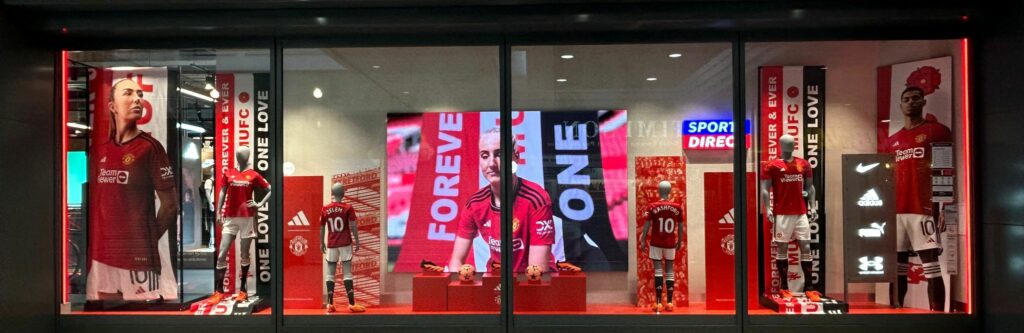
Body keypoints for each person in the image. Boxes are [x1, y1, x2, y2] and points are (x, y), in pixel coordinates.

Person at [87, 78, 179, 301]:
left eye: (139, 94)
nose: (137, 99)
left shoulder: (150, 147)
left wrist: (146, 238)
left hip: (136, 257)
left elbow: (171, 205)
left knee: (138, 313)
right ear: (112, 106)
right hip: (103, 253)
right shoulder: (101, 151)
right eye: (128, 93)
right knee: (103, 311)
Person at [448, 128, 556, 273]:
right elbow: (456, 261)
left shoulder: (537, 199)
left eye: (499, 154)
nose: (491, 163)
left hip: (533, 283)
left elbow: (537, 271)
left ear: (515, 157)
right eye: (484, 156)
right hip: (496, 282)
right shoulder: (474, 204)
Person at [887, 86, 952, 311]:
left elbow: (945, 169)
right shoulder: (892, 141)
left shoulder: (938, 132)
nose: (911, 102)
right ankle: (895, 311)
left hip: (923, 209)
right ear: (900, 104)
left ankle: (936, 315)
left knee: (931, 266)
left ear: (924, 103)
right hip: (895, 211)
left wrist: (947, 206)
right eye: (906, 99)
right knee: (897, 268)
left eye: (916, 98)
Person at [206, 145, 271, 305]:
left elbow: (270, 189)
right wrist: (219, 210)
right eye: (238, 154)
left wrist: (259, 203)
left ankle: (243, 290)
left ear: (247, 157)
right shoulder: (228, 172)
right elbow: (222, 191)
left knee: (244, 254)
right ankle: (219, 291)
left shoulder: (254, 175)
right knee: (221, 253)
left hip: (247, 218)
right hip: (230, 218)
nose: (240, 156)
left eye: (242, 154)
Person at [761, 134, 821, 302]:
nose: (790, 146)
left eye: (792, 143)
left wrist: (813, 206)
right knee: (782, 249)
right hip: (782, 214)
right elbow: (765, 189)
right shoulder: (772, 166)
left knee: (806, 248)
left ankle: (809, 288)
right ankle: (784, 288)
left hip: (801, 213)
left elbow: (810, 187)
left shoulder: (804, 164)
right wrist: (768, 208)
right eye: (786, 144)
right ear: (780, 145)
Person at [320, 182, 365, 313]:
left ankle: (330, 303)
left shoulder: (325, 208)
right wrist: (357, 240)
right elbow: (353, 226)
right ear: (343, 193)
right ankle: (351, 304)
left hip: (332, 243)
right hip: (345, 243)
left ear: (333, 194)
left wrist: (321, 242)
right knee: (347, 272)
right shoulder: (348, 207)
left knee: (330, 273)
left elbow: (322, 227)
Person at [640, 181, 684, 312]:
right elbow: (680, 226)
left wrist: (643, 240)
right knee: (670, 270)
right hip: (670, 243)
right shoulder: (677, 207)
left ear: (659, 191)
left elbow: (647, 225)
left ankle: (658, 302)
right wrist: (680, 241)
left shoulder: (652, 206)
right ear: (669, 192)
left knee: (658, 270)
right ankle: (670, 302)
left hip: (656, 242)